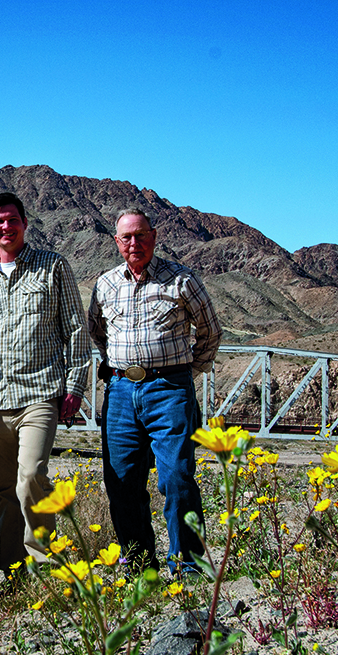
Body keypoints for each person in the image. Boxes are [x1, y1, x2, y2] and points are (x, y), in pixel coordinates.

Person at [0, 192, 91, 576]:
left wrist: (76, 387)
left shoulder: (53, 267)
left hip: (40, 393)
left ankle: (48, 567)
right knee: (3, 491)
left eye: (12, 220)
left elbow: (76, 329)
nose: (6, 227)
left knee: (32, 476)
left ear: (25, 223)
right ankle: (12, 570)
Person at [87, 207, 222, 575]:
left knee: (177, 477)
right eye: (126, 237)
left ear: (155, 236)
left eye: (141, 235)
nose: (135, 243)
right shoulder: (105, 285)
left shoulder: (182, 280)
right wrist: (117, 364)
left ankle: (189, 567)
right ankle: (141, 567)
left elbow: (210, 330)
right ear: (116, 242)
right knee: (122, 482)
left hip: (169, 389)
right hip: (119, 393)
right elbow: (97, 331)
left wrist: (187, 372)